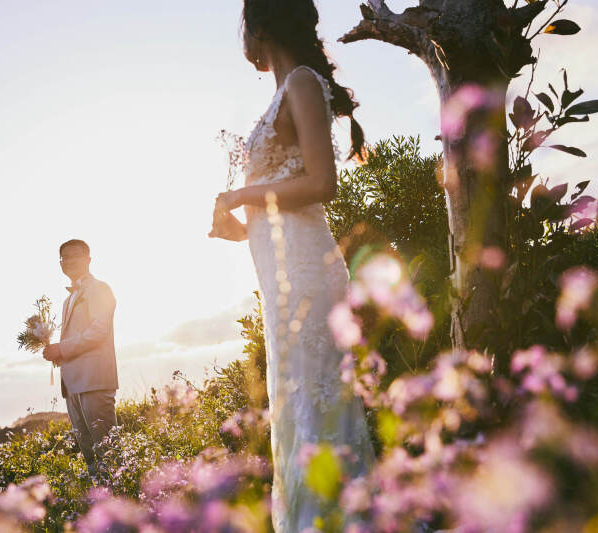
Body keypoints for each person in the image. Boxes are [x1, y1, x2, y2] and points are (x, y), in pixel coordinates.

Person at [209, 1, 374, 530]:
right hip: (282, 278)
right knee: (298, 408)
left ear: (258, 28)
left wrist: (245, 192)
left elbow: (322, 183)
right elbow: (274, 206)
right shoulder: (282, 92)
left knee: (317, 407)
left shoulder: (302, 82)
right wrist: (236, 222)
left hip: (307, 275)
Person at [43, 239, 118, 478]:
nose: (70, 261)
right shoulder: (67, 300)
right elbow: (77, 338)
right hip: (72, 384)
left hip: (95, 379)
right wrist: (56, 354)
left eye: (76, 256)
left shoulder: (99, 289)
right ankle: (100, 503)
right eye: (65, 258)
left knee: (109, 451)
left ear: (88, 260)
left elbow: (98, 332)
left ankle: (126, 502)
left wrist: (61, 349)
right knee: (89, 455)